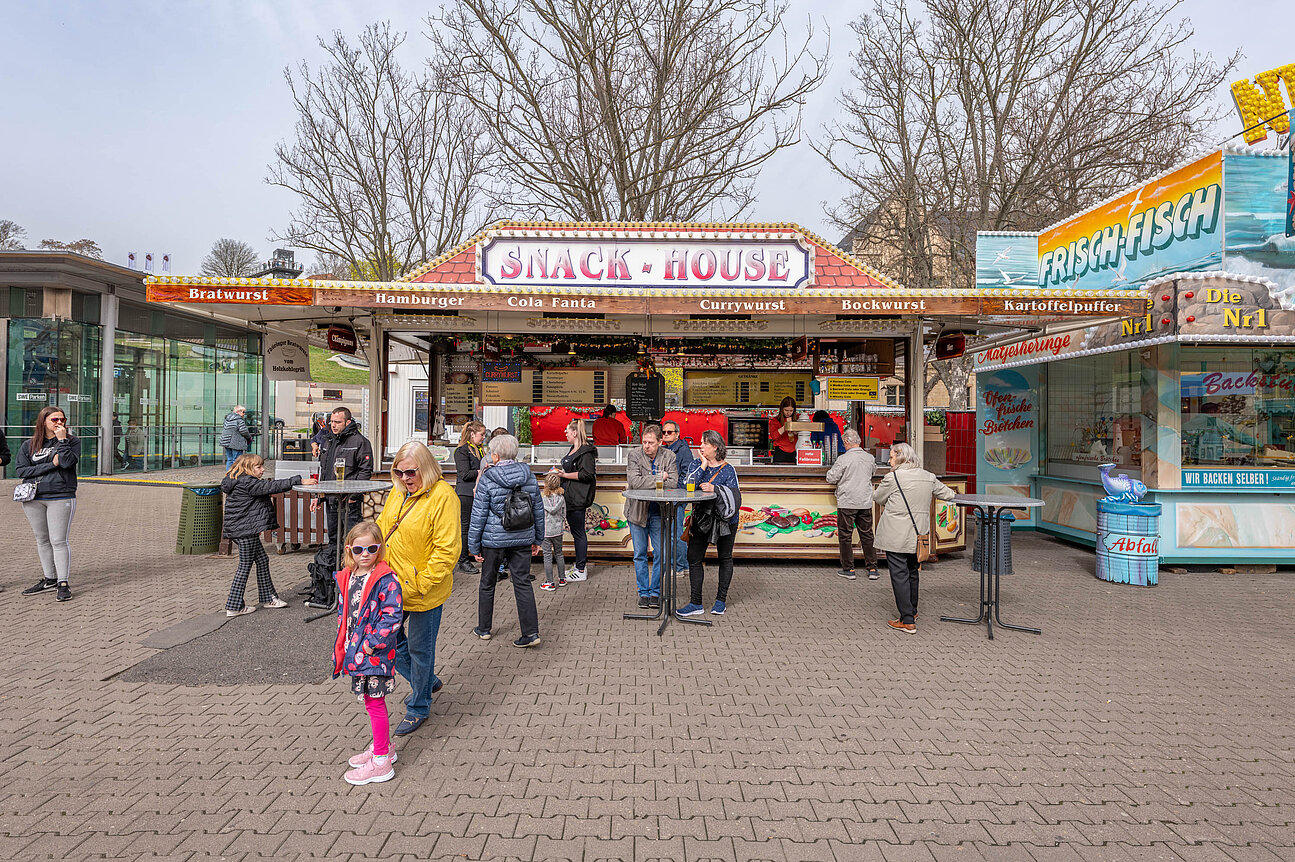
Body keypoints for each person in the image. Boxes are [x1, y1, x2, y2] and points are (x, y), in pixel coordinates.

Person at [376, 440, 460, 737]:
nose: (404, 478)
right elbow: (384, 529)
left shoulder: (443, 497)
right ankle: (425, 681)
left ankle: (419, 705)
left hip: (425, 590)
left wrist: (420, 583)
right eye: (398, 472)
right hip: (392, 587)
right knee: (387, 643)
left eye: (410, 472)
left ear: (425, 468)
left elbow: (447, 551)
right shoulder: (397, 493)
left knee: (420, 650)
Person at [331, 521, 402, 786]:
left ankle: (381, 761)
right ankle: (382, 746)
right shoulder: (348, 576)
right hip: (357, 650)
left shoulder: (386, 579)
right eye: (359, 549)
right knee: (371, 702)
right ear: (350, 550)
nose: (365, 554)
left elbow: (393, 617)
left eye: (371, 548)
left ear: (379, 549)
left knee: (375, 703)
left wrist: (372, 644)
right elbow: (345, 611)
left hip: (375, 653)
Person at [468, 434, 544, 647]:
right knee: (522, 583)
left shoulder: (488, 477)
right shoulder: (528, 475)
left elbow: (479, 514)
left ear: (495, 455)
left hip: (493, 540)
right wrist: (538, 538)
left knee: (487, 583)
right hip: (523, 537)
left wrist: (474, 546)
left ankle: (484, 629)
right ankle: (531, 633)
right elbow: (538, 509)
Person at [873, 442, 957, 634]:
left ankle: (907, 620)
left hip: (896, 534)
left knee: (899, 575)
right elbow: (949, 494)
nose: (889, 459)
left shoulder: (892, 477)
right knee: (912, 571)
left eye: (892, 456)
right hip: (919, 534)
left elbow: (878, 498)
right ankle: (913, 611)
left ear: (901, 457)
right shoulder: (929, 477)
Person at [221, 453, 317, 616]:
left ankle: (268, 598)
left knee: (262, 560)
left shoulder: (240, 480)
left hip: (242, 529)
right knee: (244, 566)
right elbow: (272, 487)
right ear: (247, 468)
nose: (263, 470)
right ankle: (234, 605)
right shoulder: (248, 482)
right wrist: (298, 480)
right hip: (245, 530)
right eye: (258, 467)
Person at [307, 407, 375, 609]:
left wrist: (353, 496)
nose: (333, 425)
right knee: (334, 542)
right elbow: (325, 474)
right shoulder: (327, 440)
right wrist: (319, 497)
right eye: (331, 422)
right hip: (331, 500)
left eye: (337, 422)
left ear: (347, 422)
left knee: (352, 543)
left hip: (350, 503)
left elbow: (365, 472)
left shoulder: (360, 442)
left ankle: (354, 589)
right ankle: (334, 587)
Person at [17, 407, 80, 602]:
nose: (59, 423)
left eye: (62, 419)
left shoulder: (71, 441)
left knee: (58, 540)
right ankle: (49, 578)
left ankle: (63, 582)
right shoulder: (29, 444)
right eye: (54, 419)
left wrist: (62, 441)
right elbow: (21, 471)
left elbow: (67, 462)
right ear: (44, 421)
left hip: (60, 496)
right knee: (42, 539)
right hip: (33, 497)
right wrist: (51, 464)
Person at [679, 429, 740, 617]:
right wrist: (704, 465)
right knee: (694, 558)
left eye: (704, 443)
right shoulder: (697, 464)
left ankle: (720, 600)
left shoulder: (729, 469)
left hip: (725, 520)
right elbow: (687, 485)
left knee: (725, 557)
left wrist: (715, 488)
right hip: (701, 518)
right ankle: (695, 603)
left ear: (715, 446)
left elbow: (735, 496)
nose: (701, 446)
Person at [625, 424, 677, 609]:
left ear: (660, 442)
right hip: (637, 512)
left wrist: (655, 479)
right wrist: (659, 477)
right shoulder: (634, 455)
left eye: (650, 442)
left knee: (661, 554)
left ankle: (655, 592)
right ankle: (643, 593)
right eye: (644, 442)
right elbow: (634, 482)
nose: (646, 446)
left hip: (659, 512)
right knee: (639, 554)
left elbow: (673, 482)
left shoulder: (669, 456)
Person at [826, 428, 879, 581]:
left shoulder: (843, 459)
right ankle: (872, 568)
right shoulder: (869, 458)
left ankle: (848, 569)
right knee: (867, 535)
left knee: (845, 536)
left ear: (846, 442)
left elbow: (831, 477)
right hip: (864, 501)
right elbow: (873, 472)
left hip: (847, 501)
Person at [553, 419, 596, 581]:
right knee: (576, 531)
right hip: (570, 496)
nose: (565, 433)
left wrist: (563, 475)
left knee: (578, 533)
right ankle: (579, 566)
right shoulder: (575, 448)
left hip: (577, 497)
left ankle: (580, 569)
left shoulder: (586, 451)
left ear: (575, 433)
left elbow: (586, 474)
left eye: (567, 431)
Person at [661, 420, 696, 578]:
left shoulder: (683, 450)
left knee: (677, 534)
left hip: (677, 497)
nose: (666, 434)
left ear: (677, 434)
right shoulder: (667, 449)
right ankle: (680, 565)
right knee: (673, 533)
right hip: (670, 496)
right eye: (664, 432)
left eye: (669, 432)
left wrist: (674, 490)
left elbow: (687, 475)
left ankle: (681, 567)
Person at [453, 421, 487, 575]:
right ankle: (463, 560)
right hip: (465, 494)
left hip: (478, 493)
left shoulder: (480, 450)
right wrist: (482, 469)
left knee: (478, 526)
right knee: (465, 528)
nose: (483, 438)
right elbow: (464, 474)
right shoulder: (461, 451)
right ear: (472, 434)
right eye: (482, 434)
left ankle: (477, 556)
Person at [538, 472, 567, 592]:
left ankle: (549, 582)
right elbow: (564, 514)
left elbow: (539, 515)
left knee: (547, 556)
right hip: (558, 530)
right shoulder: (561, 498)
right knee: (559, 554)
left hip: (546, 531)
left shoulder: (543, 499)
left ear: (546, 485)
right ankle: (562, 579)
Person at [768, 396, 798, 464]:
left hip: (795, 452)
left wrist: (796, 430)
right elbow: (774, 436)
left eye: (791, 411)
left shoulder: (798, 419)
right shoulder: (775, 421)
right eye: (786, 410)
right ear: (782, 409)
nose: (789, 413)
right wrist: (786, 427)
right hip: (780, 453)